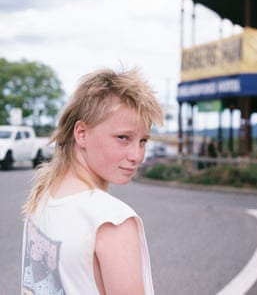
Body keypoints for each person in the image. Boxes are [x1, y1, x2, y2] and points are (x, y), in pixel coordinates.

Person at [21, 68, 163, 295]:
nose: (137, 155)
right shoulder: (112, 221)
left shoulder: (43, 197)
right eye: (123, 138)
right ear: (82, 133)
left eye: (143, 141)